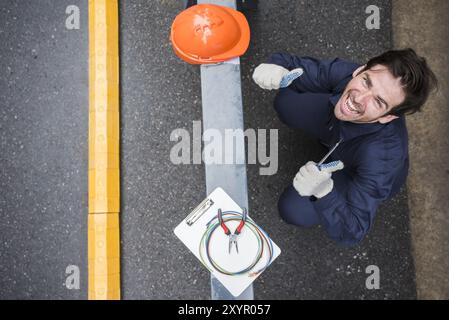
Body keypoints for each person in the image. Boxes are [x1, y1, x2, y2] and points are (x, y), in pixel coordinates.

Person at [252, 49, 437, 246]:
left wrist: (324, 191)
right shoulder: (347, 73)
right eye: (366, 81)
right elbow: (295, 66)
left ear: (388, 117)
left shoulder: (382, 159)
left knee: (293, 209)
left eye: (378, 101)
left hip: (354, 170)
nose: (359, 98)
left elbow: (352, 231)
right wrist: (277, 68)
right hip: (337, 130)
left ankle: (329, 175)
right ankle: (328, 143)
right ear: (360, 70)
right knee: (286, 101)